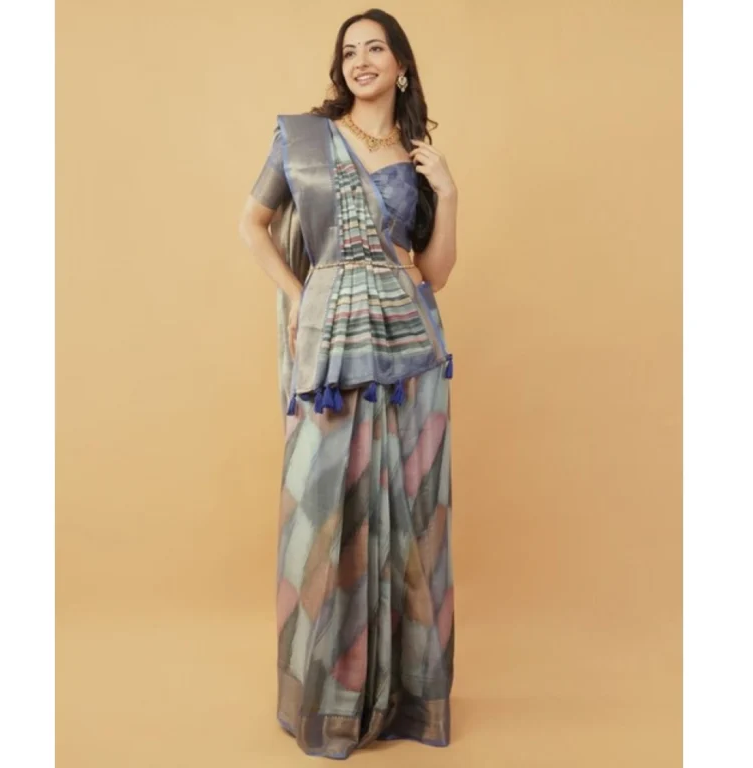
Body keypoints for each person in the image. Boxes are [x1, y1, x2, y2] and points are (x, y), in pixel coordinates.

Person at [239, 8, 458, 760]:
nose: (361, 61)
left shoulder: (418, 157)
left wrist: (448, 193)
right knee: (327, 508)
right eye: (349, 51)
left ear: (402, 65)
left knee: (408, 516)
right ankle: (331, 701)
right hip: (331, 342)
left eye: (376, 49)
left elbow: (433, 274)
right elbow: (251, 223)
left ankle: (398, 700)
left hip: (410, 350)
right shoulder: (304, 140)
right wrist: (300, 297)